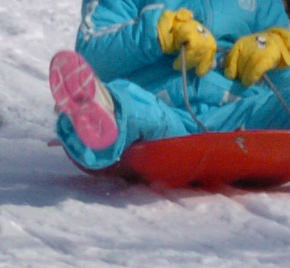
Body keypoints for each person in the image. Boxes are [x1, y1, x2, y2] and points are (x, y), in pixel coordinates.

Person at [50, 2, 290, 169]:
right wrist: (157, 34)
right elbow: (93, 52)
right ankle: (96, 115)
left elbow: (283, 82)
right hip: (163, 111)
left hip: (240, 115)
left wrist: (278, 49)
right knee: (131, 106)